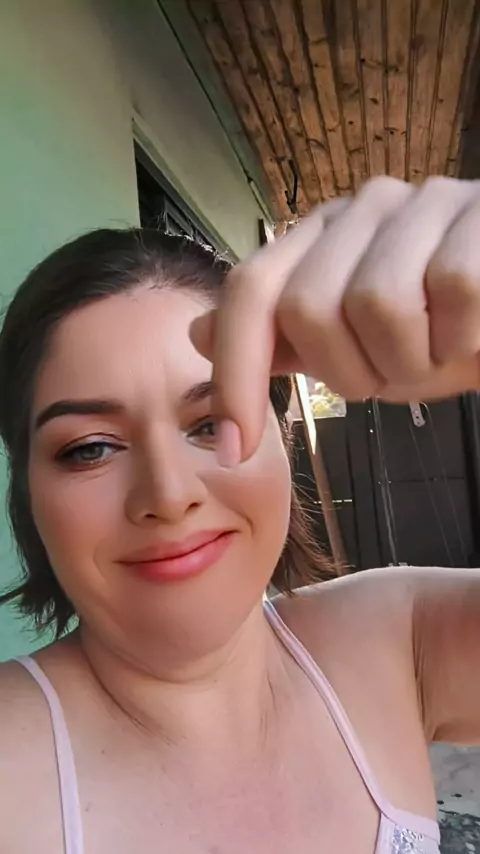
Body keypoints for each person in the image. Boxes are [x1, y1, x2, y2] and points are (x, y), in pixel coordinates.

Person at [1, 175, 480, 854]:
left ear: (282, 437)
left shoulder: (399, 639)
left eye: (209, 423)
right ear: (28, 491)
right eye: (90, 448)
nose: (169, 495)